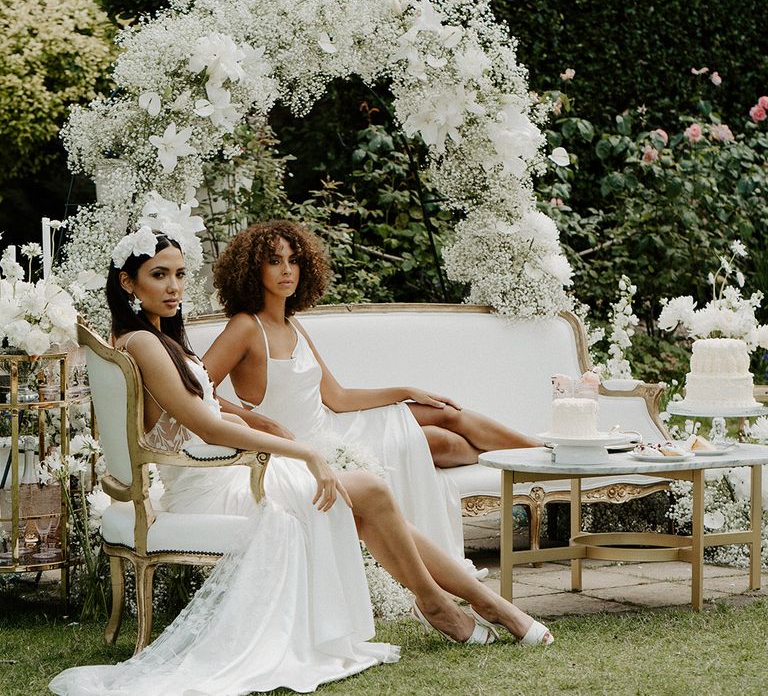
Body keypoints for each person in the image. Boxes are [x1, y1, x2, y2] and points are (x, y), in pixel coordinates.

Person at [49, 230, 553, 695]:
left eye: (180, 274)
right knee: (370, 493)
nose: (175, 286)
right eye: (159, 275)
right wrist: (302, 449)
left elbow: (209, 409)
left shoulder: (157, 340)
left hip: (223, 469)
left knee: (369, 496)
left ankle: (467, 605)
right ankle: (451, 605)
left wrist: (272, 433)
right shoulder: (143, 343)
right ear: (128, 283)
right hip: (211, 484)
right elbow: (204, 425)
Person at [203, 220, 540, 568]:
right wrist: (255, 420)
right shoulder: (245, 327)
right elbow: (197, 388)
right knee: (440, 442)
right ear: (252, 270)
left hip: (335, 423)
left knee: (445, 413)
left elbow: (337, 397)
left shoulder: (292, 324)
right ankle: (533, 460)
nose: (287, 270)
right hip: (307, 446)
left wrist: (405, 391)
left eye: (293, 260)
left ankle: (543, 455)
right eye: (274, 261)